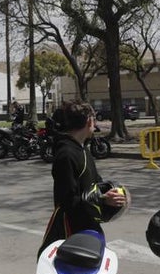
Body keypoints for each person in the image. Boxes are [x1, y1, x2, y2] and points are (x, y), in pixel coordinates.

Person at [39, 101, 126, 255]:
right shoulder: (66, 154)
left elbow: (95, 183)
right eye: (94, 119)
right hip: (72, 231)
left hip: (88, 225)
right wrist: (102, 200)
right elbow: (68, 201)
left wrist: (110, 192)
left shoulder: (82, 148)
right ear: (89, 121)